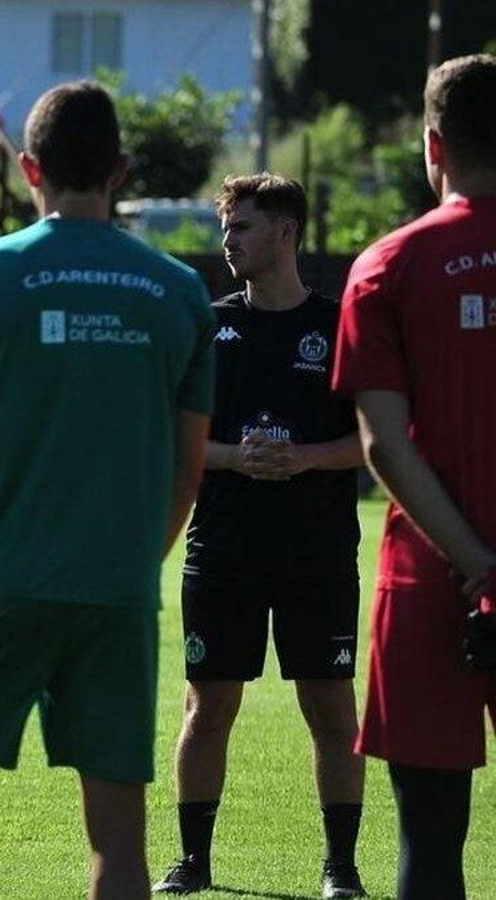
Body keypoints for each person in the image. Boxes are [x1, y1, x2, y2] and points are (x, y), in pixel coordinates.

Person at [0, 80, 214, 899]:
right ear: (122, 170)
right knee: (119, 839)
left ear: (29, 167)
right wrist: (138, 556)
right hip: (117, 587)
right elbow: (189, 465)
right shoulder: (178, 290)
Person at [154, 174, 366, 899]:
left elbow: (376, 442)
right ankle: (193, 862)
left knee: (333, 709)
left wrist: (306, 457)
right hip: (223, 547)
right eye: (226, 226)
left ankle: (340, 867)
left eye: (242, 226)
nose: (227, 240)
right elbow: (170, 437)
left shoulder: (341, 326)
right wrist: (233, 457)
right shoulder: (207, 325)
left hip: (318, 550)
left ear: (286, 231)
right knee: (207, 707)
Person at [332, 53, 496, 900]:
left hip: (430, 577)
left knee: (428, 844)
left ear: (432, 145)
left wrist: (479, 565)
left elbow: (386, 448)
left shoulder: (388, 265)